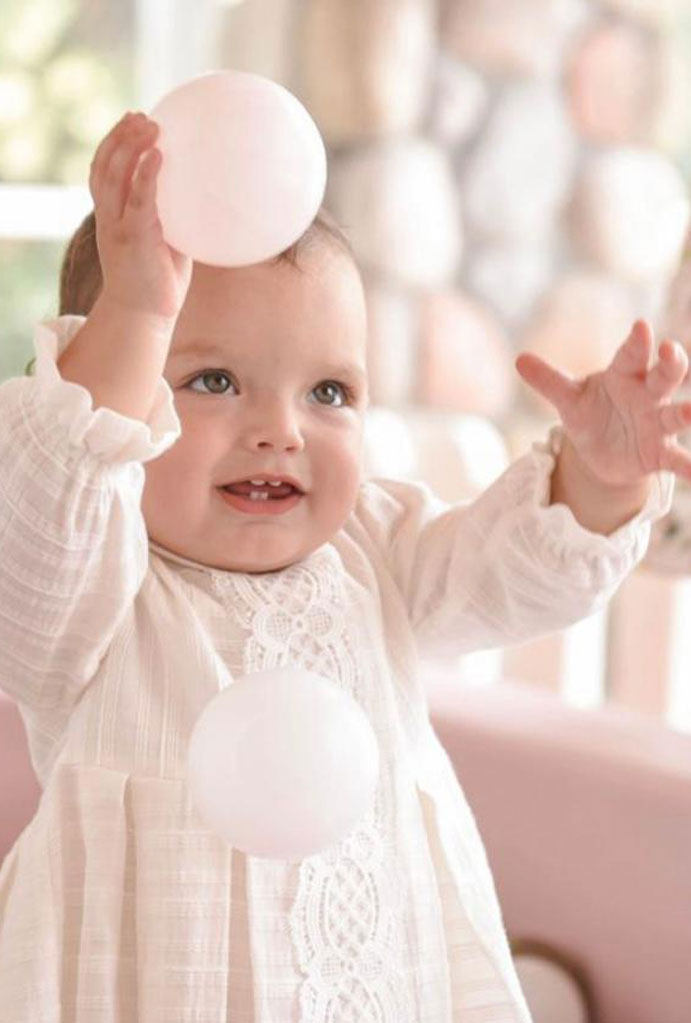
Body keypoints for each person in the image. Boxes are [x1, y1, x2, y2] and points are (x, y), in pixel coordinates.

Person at [0, 110, 690, 1023]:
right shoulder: (96, 592)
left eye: (330, 391)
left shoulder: (373, 545)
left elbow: (508, 574)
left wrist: (597, 481)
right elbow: (45, 516)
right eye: (211, 380)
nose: (280, 429)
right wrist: (135, 311)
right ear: (124, 398)